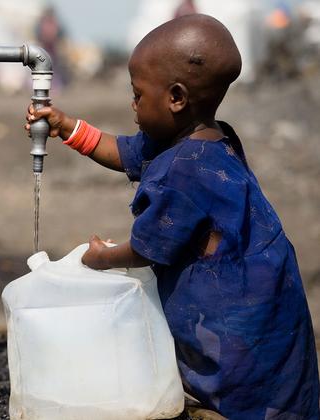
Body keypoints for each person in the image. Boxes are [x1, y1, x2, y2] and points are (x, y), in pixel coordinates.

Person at [25, 14, 318, 418]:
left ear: (176, 98)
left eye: (138, 95)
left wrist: (99, 257)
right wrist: (67, 127)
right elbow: (123, 150)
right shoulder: (206, 141)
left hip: (238, 327)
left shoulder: (185, 170)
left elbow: (147, 248)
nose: (132, 104)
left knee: (241, 398)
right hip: (269, 301)